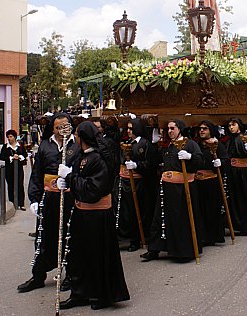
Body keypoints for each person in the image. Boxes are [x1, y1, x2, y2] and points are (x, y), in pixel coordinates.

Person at [57, 121, 130, 310]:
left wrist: (70, 178)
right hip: (81, 214)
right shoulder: (80, 155)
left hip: (97, 216)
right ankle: (79, 293)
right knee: (77, 256)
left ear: (83, 136)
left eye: (77, 133)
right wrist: (65, 181)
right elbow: (77, 180)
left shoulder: (99, 159)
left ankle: (100, 295)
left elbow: (92, 190)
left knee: (97, 256)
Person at [17, 113, 80, 293]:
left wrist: (70, 175)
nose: (62, 130)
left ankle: (71, 275)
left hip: (69, 197)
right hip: (49, 198)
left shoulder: (76, 145)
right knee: (44, 237)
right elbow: (37, 174)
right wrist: (34, 199)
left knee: (69, 236)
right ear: (52, 128)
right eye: (58, 127)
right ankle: (38, 276)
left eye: (65, 126)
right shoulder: (45, 145)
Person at [141, 119, 204, 261]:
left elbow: (200, 161)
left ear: (180, 128)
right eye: (168, 129)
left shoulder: (190, 144)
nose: (169, 131)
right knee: (160, 218)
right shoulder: (167, 146)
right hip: (166, 188)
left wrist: (190, 157)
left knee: (181, 219)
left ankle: (183, 251)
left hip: (182, 188)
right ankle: (155, 249)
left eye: (172, 128)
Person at [118, 118, 156, 252]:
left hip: (141, 183)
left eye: (131, 129)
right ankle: (131, 238)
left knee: (140, 211)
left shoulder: (145, 144)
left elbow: (151, 164)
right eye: (127, 128)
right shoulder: (127, 143)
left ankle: (140, 238)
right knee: (129, 212)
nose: (128, 131)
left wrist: (137, 165)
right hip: (127, 182)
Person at [223, 117, 247, 236]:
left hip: (243, 172)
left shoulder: (246, 138)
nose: (231, 127)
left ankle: (246, 225)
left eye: (233, 124)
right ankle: (235, 225)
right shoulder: (228, 140)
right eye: (229, 125)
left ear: (239, 125)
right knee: (233, 198)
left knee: (244, 197)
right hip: (232, 171)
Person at [195, 120, 228, 242]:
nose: (202, 131)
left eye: (205, 128)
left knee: (212, 209)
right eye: (200, 128)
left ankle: (214, 236)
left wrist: (220, 163)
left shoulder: (217, 145)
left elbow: (226, 161)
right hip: (198, 181)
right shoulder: (196, 144)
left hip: (211, 182)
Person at [0, 130, 27, 210]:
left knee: (20, 185)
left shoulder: (20, 146)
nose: (9, 138)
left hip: (19, 168)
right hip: (9, 168)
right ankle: (12, 203)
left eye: (11, 136)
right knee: (10, 185)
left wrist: (19, 157)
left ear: (14, 137)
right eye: (8, 137)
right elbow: (2, 156)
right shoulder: (5, 147)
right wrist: (11, 158)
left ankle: (21, 203)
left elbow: (25, 154)